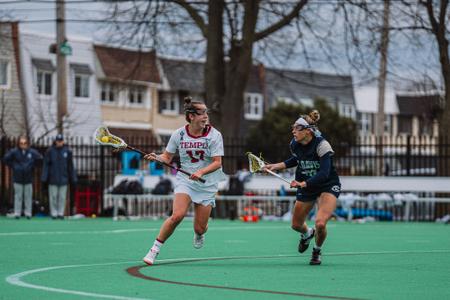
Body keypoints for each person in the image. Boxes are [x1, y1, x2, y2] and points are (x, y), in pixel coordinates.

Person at [142, 96, 225, 265]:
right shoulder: (178, 134)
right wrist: (156, 157)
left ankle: (200, 233)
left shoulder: (215, 135)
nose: (206, 117)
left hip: (207, 183)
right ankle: (154, 250)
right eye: (202, 113)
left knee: (199, 228)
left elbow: (218, 163)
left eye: (206, 113)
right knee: (177, 215)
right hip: (185, 180)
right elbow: (167, 157)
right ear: (191, 116)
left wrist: (201, 172)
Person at [265, 110, 341, 265]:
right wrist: (276, 166)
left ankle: (317, 250)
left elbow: (325, 173)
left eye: (297, 128)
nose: (293, 131)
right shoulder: (294, 144)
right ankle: (307, 234)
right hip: (306, 185)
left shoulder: (322, 145)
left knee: (320, 223)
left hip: (327, 184)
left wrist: (303, 183)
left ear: (308, 131)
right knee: (296, 225)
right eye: (293, 127)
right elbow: (296, 159)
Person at [3, 136, 43, 219]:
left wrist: (33, 166)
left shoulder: (32, 152)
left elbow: (40, 158)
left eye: (24, 143)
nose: (23, 145)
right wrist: (14, 166)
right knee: (18, 196)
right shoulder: (14, 152)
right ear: (19, 144)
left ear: (27, 144)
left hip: (28, 178)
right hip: (18, 178)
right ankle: (17, 213)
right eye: (21, 143)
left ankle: (28, 213)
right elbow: (5, 159)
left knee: (28, 196)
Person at [41, 134, 77, 219]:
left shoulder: (67, 151)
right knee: (53, 197)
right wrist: (44, 177)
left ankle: (60, 213)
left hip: (64, 178)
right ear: (55, 141)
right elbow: (46, 165)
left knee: (62, 197)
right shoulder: (50, 151)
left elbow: (70, 166)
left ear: (63, 141)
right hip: (52, 178)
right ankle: (54, 213)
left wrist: (73, 178)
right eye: (58, 141)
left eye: (61, 141)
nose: (59, 142)